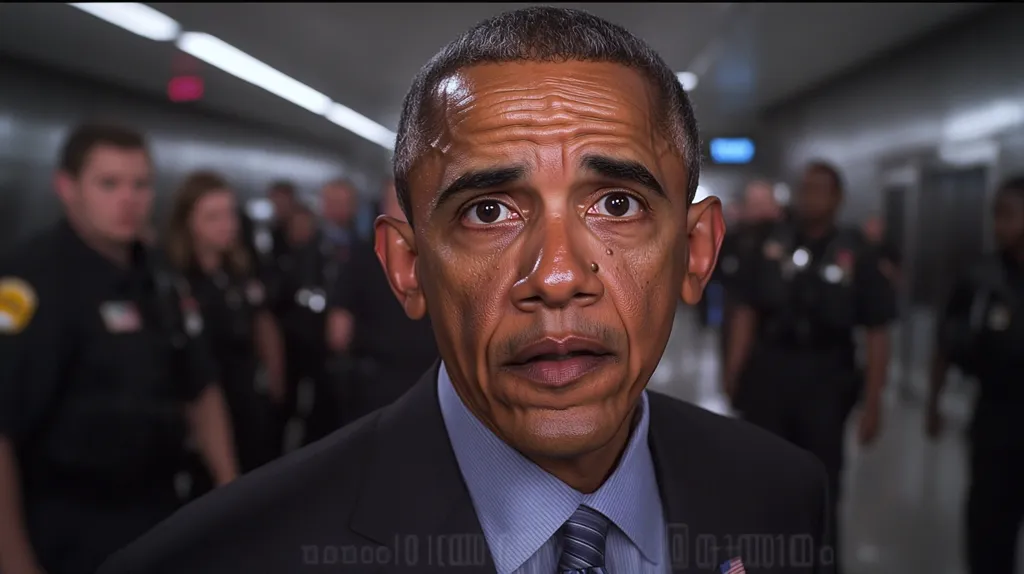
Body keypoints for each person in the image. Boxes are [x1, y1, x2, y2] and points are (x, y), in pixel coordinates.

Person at [99, 9, 834, 574]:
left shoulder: (781, 496)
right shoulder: (226, 559)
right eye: (489, 211)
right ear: (407, 267)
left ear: (696, 252)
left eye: (616, 204)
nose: (555, 276)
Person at [0, 124, 238, 574]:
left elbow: (201, 388)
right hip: (68, 523)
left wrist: (230, 489)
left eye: (140, 184)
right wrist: (14, 562)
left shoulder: (161, 277)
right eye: (108, 184)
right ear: (67, 188)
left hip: (159, 508)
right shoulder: (30, 282)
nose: (128, 199)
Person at [724, 161, 895, 570]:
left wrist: (873, 403)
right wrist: (733, 372)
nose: (810, 196)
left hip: (826, 378)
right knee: (761, 478)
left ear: (837, 198)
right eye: (805, 188)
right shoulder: (771, 242)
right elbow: (745, 311)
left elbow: (877, 332)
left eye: (820, 189)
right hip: (770, 372)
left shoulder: (859, 253)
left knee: (820, 483)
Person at [927, 177, 1024, 574]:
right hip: (997, 419)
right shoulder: (980, 277)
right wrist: (933, 403)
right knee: (988, 532)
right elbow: (945, 345)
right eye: (996, 214)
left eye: (1010, 215)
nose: (999, 225)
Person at [164, 171, 287, 483]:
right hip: (204, 413)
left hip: (246, 401)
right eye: (213, 217)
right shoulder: (176, 280)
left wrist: (275, 373)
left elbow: (261, 322)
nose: (226, 225)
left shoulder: (237, 272)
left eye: (230, 214)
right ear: (189, 221)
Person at [328, 179, 438, 426]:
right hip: (436, 385)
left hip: (375, 387)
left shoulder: (360, 256)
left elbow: (338, 333)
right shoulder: (445, 254)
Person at [270, 204, 345, 449]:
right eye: (297, 226)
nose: (302, 231)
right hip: (288, 340)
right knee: (287, 401)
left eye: (306, 226)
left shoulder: (322, 256)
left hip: (315, 340)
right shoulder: (279, 257)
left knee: (320, 398)